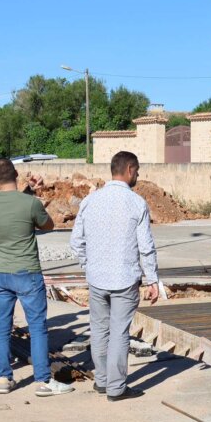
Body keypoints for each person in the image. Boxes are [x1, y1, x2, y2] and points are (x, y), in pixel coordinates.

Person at [70, 151, 159, 402]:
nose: (138, 176)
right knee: (120, 332)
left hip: (97, 279)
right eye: (138, 171)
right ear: (129, 169)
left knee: (99, 330)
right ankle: (117, 388)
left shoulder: (90, 201)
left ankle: (102, 381)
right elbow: (146, 246)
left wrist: (89, 265)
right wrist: (152, 279)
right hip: (124, 279)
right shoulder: (136, 203)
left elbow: (76, 241)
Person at [0, 157, 73, 397]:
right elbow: (48, 225)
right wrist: (35, 197)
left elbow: (9, 206)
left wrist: (29, 192)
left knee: (1, 328)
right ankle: (43, 381)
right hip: (27, 272)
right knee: (37, 328)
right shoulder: (30, 203)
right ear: (16, 174)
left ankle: (4, 378)